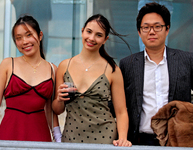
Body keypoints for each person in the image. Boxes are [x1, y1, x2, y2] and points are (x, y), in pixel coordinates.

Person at [52, 14, 132, 147]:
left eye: (98, 35)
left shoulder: (112, 70)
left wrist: (123, 138)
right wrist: (60, 99)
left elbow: (121, 111)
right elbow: (57, 110)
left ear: (105, 39)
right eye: (89, 32)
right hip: (71, 137)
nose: (92, 38)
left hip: (105, 137)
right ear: (82, 31)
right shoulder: (64, 66)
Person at [120, 2, 193, 145]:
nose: (151, 31)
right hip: (140, 141)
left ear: (167, 29)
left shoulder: (187, 60)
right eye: (146, 27)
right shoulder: (127, 64)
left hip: (178, 140)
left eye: (157, 26)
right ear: (139, 32)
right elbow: (117, 103)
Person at [0, 15, 61, 142]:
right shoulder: (8, 64)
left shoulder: (52, 69)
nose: (24, 42)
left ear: (40, 35)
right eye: (18, 38)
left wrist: (58, 139)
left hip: (40, 135)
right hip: (9, 134)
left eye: (29, 35)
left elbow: (51, 112)